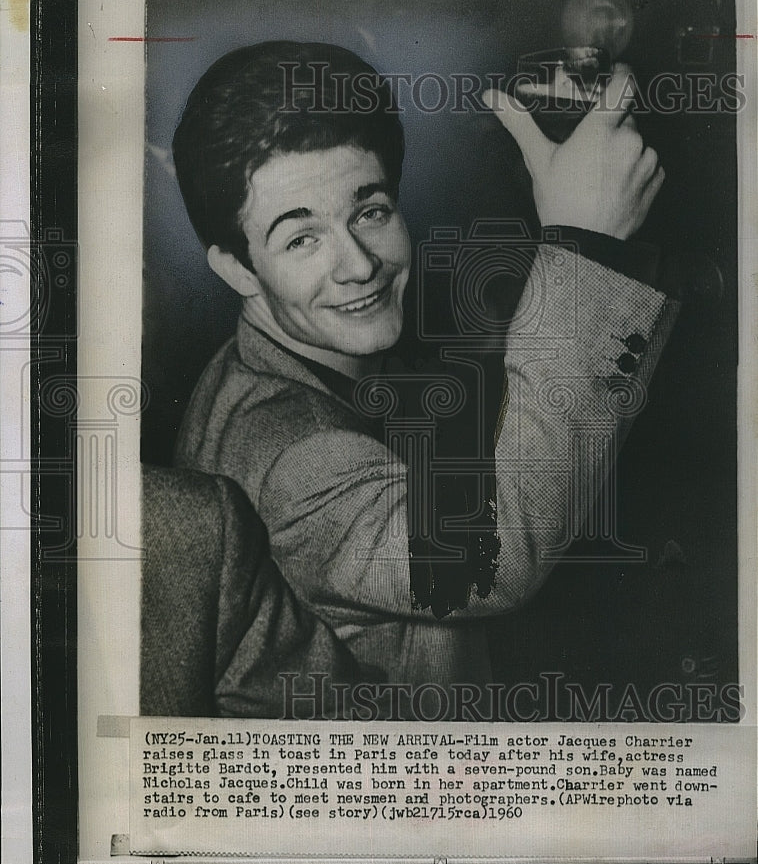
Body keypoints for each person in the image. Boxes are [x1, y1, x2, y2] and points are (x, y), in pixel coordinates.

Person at [171, 40, 678, 704]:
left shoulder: (305, 354)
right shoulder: (292, 463)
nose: (358, 263)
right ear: (237, 269)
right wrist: (587, 245)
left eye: (370, 211)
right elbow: (489, 558)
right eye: (302, 239)